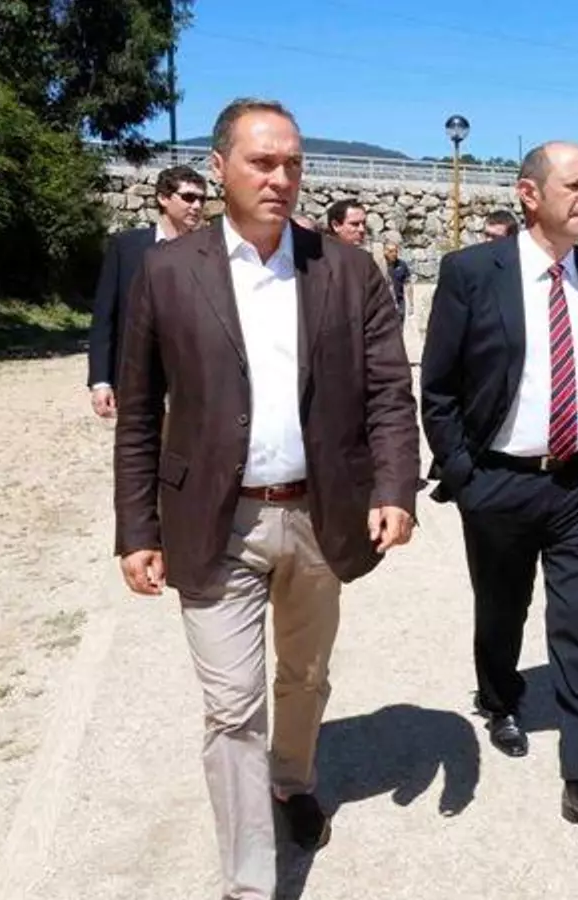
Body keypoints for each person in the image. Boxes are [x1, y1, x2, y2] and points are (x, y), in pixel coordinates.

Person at [113, 98, 419, 899]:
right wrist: (136, 529)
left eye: (292, 163)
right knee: (231, 707)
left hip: (319, 515)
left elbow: (389, 391)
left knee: (305, 674)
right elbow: (139, 411)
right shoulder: (168, 272)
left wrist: (395, 486)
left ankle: (291, 778)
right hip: (215, 521)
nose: (281, 178)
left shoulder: (346, 269)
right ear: (219, 168)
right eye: (262, 162)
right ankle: (250, 885)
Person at [421, 141, 578, 841]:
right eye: (575, 186)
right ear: (529, 194)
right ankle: (499, 696)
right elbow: (438, 388)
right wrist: (465, 476)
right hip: (501, 482)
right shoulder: (472, 272)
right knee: (502, 610)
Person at [86, 164, 206, 417]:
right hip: (136, 378)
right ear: (163, 198)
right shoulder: (125, 247)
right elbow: (105, 317)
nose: (196, 206)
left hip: (192, 383)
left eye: (201, 199)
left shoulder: (210, 253)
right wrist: (100, 381)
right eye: (188, 197)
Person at [383, 242, 411, 319]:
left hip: (399, 303)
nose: (394, 254)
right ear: (385, 252)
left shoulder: (402, 265)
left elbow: (408, 283)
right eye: (391, 251)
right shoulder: (380, 265)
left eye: (396, 251)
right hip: (384, 304)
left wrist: (411, 304)